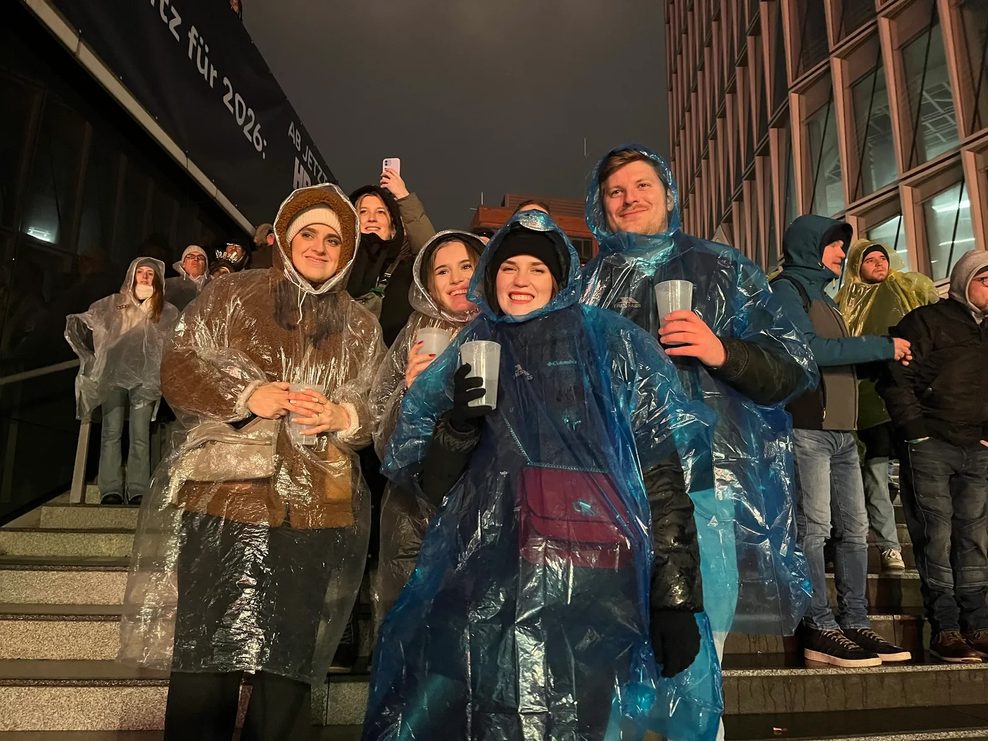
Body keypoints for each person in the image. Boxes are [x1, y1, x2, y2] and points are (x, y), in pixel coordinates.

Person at [364, 210, 722, 740]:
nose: (522, 280)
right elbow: (429, 482)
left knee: (580, 721)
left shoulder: (612, 345)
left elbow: (661, 474)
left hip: (593, 584)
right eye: (509, 267)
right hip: (487, 583)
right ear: (491, 276)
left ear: (559, 278)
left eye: (536, 267)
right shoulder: (472, 349)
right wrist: (459, 423)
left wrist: (675, 596)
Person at [117, 184, 383, 741]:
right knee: (205, 654)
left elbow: (378, 402)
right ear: (283, 238)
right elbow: (180, 366)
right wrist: (245, 396)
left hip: (315, 503)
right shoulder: (233, 293)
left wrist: (344, 416)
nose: (319, 246)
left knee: (289, 660)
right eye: (307, 232)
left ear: (347, 252)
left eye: (333, 238)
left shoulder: (359, 323)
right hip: (227, 491)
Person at [581, 145, 817, 648]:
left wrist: (721, 351)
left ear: (669, 195)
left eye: (642, 185)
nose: (629, 199)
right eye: (614, 192)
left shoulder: (722, 268)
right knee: (614, 652)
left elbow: (793, 370)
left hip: (702, 485)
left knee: (698, 644)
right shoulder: (584, 287)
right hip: (608, 487)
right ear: (600, 207)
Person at [773, 215, 912, 667]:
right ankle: (820, 625)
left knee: (854, 530)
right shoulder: (786, 291)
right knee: (813, 530)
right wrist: (881, 346)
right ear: (810, 247)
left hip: (843, 433)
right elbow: (808, 350)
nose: (841, 254)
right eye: (834, 245)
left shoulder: (825, 299)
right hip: (807, 426)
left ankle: (855, 622)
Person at [368, 230, 485, 629]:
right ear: (428, 284)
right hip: (416, 510)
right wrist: (410, 392)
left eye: (466, 266)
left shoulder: (507, 329)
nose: (456, 279)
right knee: (414, 632)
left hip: (489, 507)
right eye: (443, 271)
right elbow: (384, 442)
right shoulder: (416, 336)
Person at [877, 249, 988, 663]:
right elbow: (895, 375)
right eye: (984, 279)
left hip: (974, 448)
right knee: (935, 536)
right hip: (931, 446)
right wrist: (917, 433)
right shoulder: (926, 322)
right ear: (964, 280)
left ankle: (978, 623)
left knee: (974, 538)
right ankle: (944, 629)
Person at [836, 240, 938, 571]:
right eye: (870, 260)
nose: (879, 264)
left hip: (909, 396)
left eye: (883, 258)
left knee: (912, 470)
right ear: (857, 267)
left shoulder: (908, 288)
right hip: (869, 400)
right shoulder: (844, 303)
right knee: (877, 471)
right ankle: (889, 545)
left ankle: (928, 543)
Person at [65, 257, 179, 505]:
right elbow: (90, 320)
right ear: (132, 275)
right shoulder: (114, 304)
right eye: (141, 272)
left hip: (145, 380)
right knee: (111, 431)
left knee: (140, 434)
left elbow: (174, 342)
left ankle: (138, 488)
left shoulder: (166, 311)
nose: (145, 277)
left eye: (150, 273)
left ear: (157, 279)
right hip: (114, 376)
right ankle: (111, 489)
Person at [348, 168, 437, 346]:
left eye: (380, 212)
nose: (371, 218)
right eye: (363, 212)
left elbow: (431, 252)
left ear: (393, 227)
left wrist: (404, 197)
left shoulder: (409, 270)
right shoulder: (338, 265)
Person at [165, 245, 210, 311]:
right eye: (190, 257)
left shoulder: (215, 283)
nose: (196, 259)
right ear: (183, 264)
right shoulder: (169, 284)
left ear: (206, 265)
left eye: (200, 257)